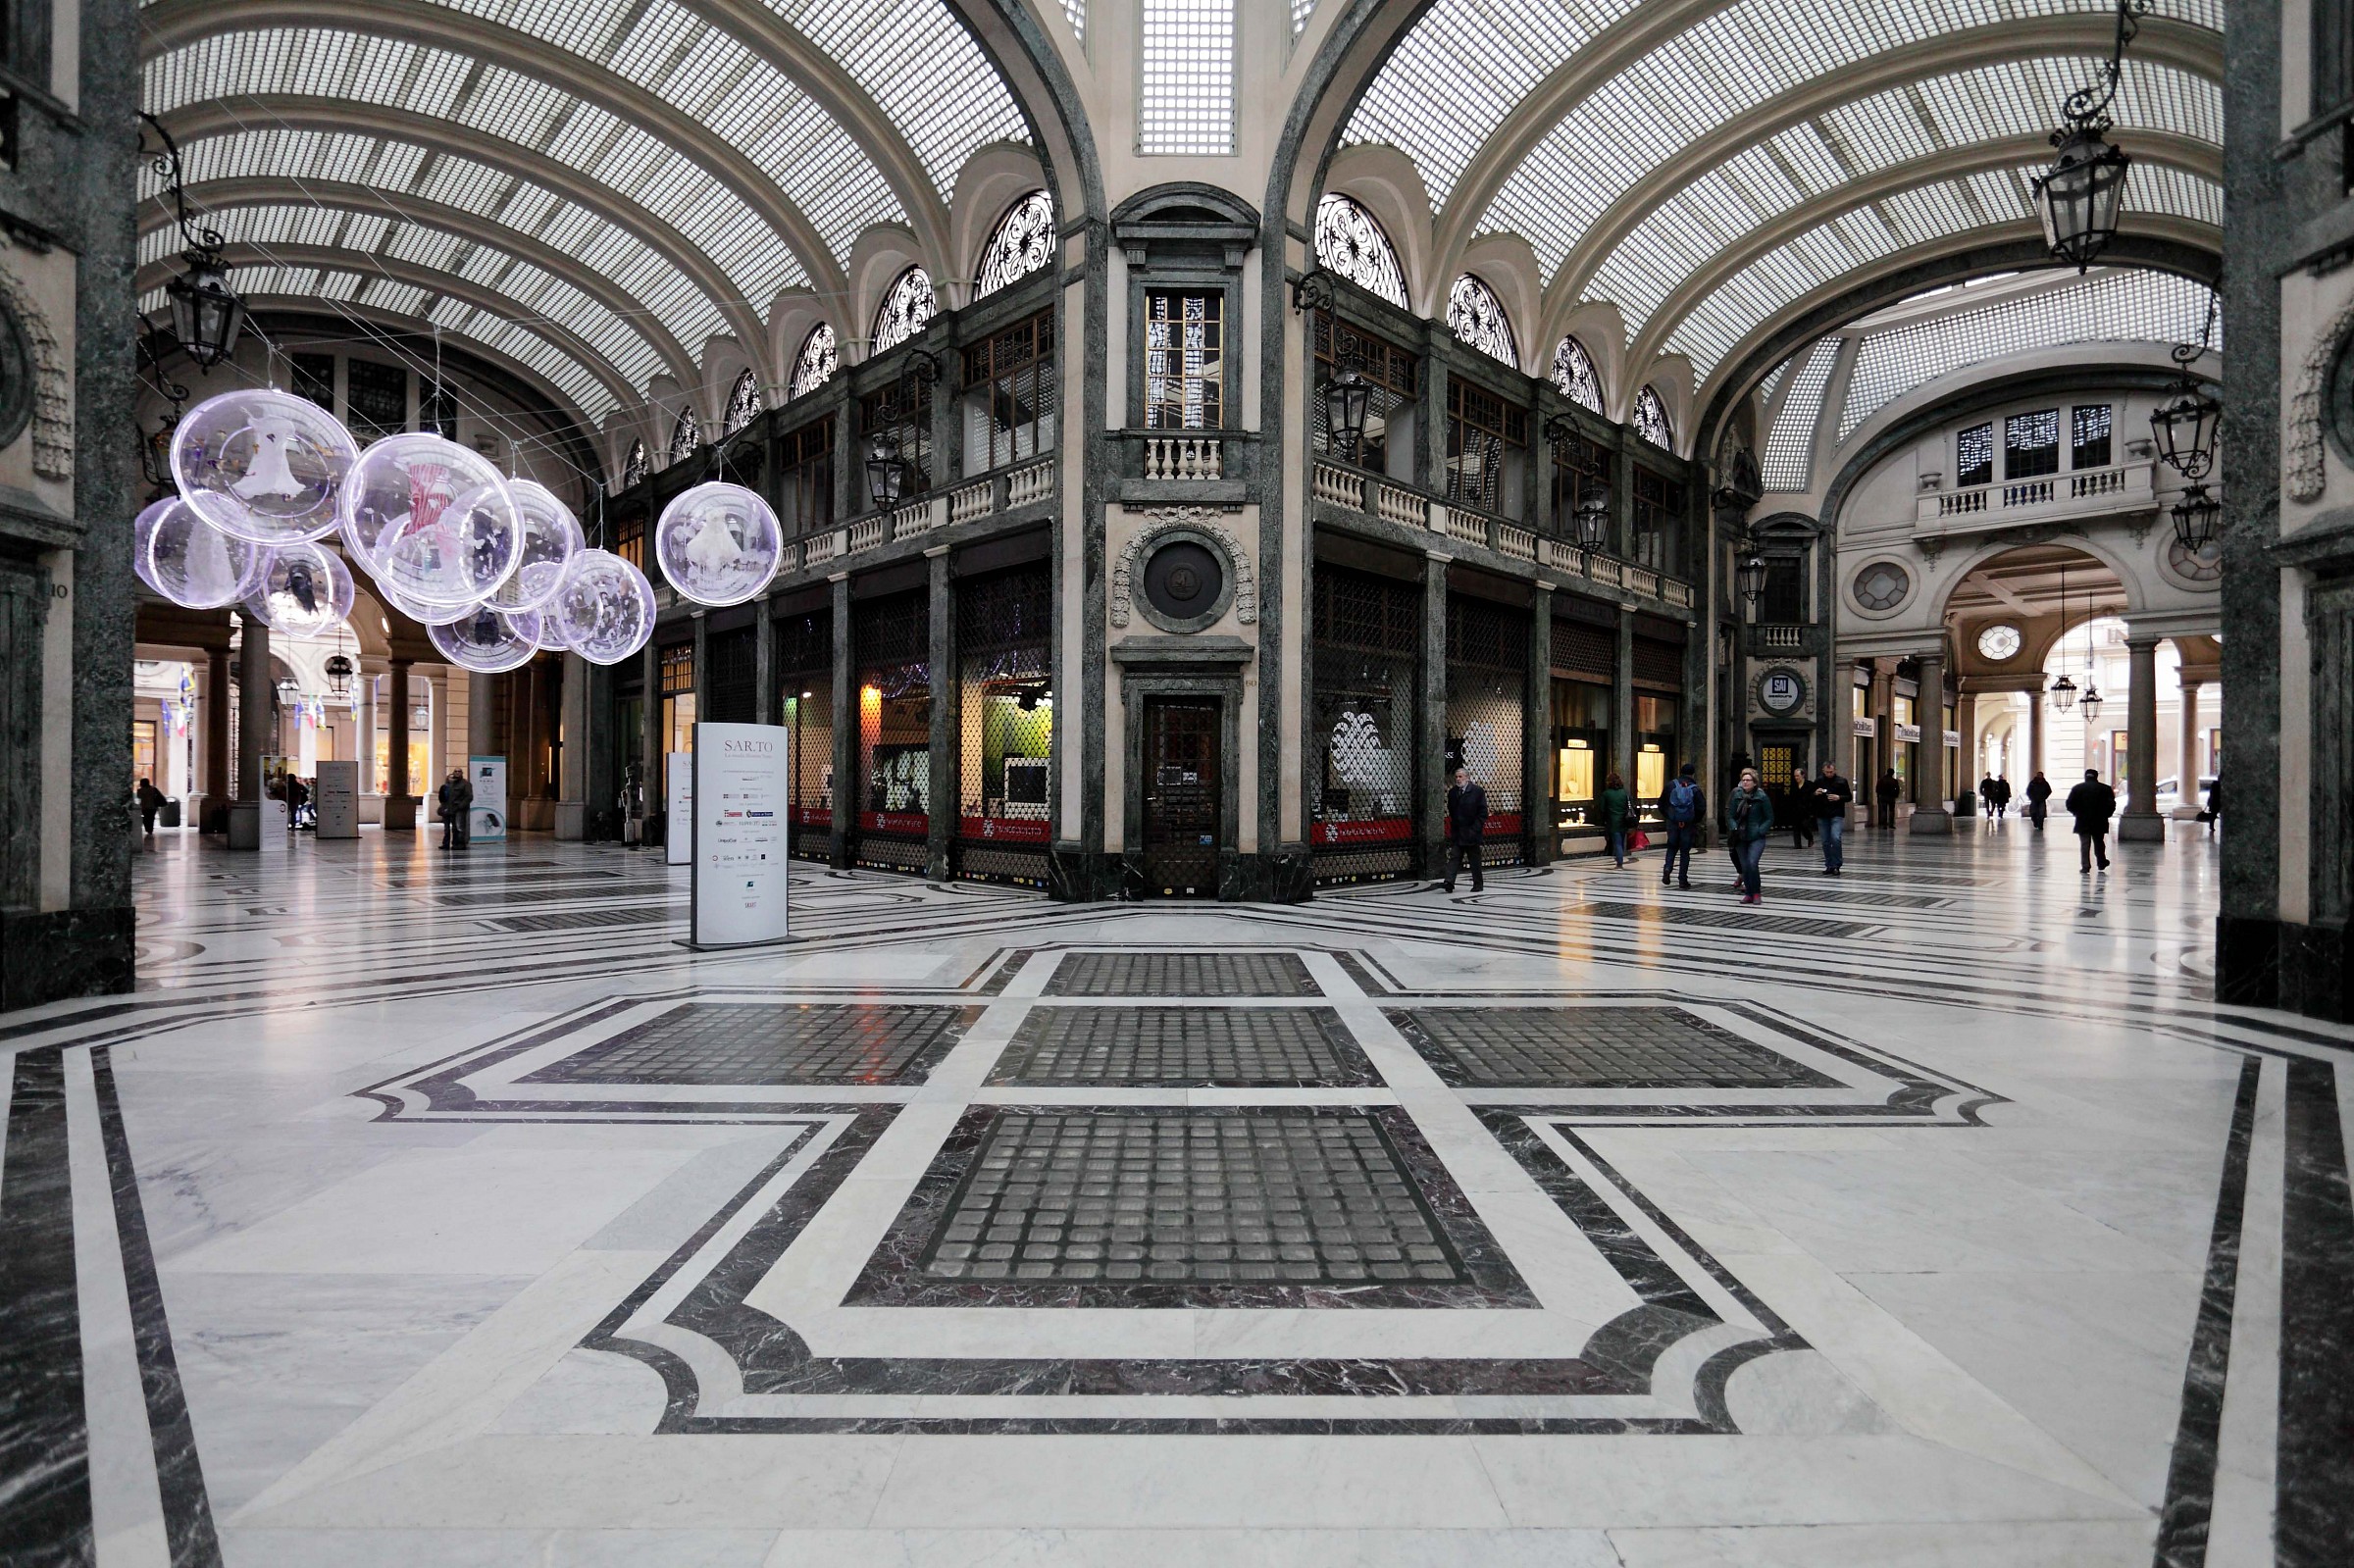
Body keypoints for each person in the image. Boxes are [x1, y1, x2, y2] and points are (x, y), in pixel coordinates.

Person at [1725, 766, 1775, 904]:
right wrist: (1734, 827)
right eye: (1744, 780)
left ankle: (1756, 892)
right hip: (1740, 836)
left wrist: (1761, 830)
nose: (1745, 782)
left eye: (1748, 780)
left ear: (1754, 782)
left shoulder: (1761, 797)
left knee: (1752, 863)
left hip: (1756, 836)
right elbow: (1730, 815)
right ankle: (1748, 893)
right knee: (1745, 866)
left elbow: (1769, 817)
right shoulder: (1737, 796)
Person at [1443, 765, 1487, 893]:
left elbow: (1482, 812)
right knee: (1454, 857)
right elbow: (1451, 810)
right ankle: (1449, 882)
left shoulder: (1477, 791)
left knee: (1474, 860)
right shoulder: (1453, 793)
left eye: (1460, 777)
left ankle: (1478, 884)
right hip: (1458, 832)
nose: (1458, 779)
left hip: (1472, 832)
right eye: (1456, 777)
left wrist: (1475, 828)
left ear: (1467, 778)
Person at [1660, 762, 1705, 890]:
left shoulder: (1670, 785)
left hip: (1673, 823)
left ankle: (1668, 868)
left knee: (1671, 847)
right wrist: (1693, 820)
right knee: (1685, 852)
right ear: (1693, 774)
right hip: (1688, 825)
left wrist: (1670, 816)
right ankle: (1682, 880)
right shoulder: (1695, 789)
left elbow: (1661, 804)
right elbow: (1701, 808)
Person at [2064, 767, 2117, 873]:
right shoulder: (2105, 788)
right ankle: (2101, 862)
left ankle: (2085, 865)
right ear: (2096, 776)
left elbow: (2069, 804)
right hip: (2099, 820)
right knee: (2099, 842)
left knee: (2085, 844)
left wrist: (2076, 813)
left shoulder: (2077, 788)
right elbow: (2111, 804)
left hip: (2082, 820)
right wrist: (2106, 814)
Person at [1811, 762, 1852, 875]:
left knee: (1835, 838)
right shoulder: (1818, 781)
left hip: (1836, 813)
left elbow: (1849, 797)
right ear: (1823, 771)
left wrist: (1839, 797)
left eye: (1831, 772)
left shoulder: (1842, 781)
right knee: (1825, 841)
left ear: (1835, 770)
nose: (1829, 774)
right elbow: (1810, 797)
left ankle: (1837, 864)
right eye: (1827, 772)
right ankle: (1829, 864)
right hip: (1822, 814)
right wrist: (1815, 793)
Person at [1600, 770, 1631, 869]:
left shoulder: (1606, 794)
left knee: (1617, 843)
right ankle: (1619, 858)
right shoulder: (1624, 793)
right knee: (1621, 842)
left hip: (1613, 822)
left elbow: (1602, 809)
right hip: (1624, 821)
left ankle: (1619, 862)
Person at [436, 767, 473, 851]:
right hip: (451, 809)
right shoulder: (451, 784)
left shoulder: (466, 784)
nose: (457, 773)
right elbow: (446, 797)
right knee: (453, 828)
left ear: (462, 773)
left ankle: (460, 844)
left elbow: (469, 797)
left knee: (459, 827)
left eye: (459, 771)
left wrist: (461, 806)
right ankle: (452, 844)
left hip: (460, 809)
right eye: (455, 771)